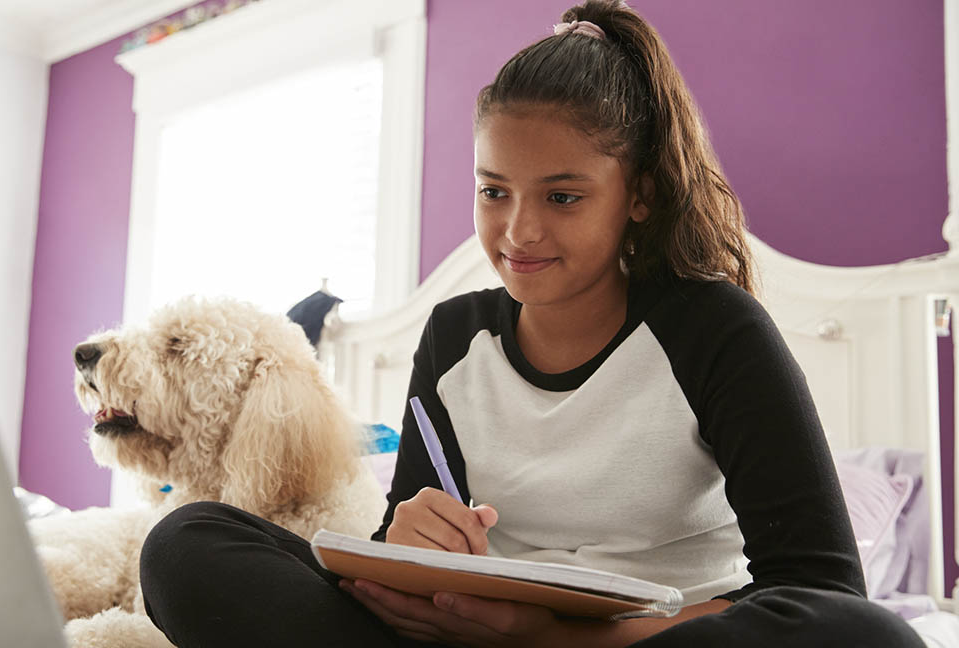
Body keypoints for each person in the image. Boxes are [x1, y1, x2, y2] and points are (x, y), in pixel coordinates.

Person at [137, 2, 927, 646]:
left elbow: (821, 590)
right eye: (493, 192)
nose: (517, 233)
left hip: (655, 640)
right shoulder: (452, 339)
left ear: (638, 195)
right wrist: (401, 546)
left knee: (866, 636)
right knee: (187, 542)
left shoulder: (714, 330)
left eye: (563, 196)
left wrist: (548, 638)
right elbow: (406, 569)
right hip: (468, 637)